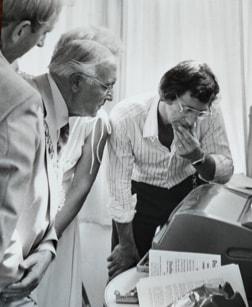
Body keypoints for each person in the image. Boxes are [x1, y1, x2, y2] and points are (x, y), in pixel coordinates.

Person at [106, 60, 234, 280]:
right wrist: (126, 245)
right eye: (187, 110)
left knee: (184, 274)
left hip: (187, 191)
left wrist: (198, 158)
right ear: (166, 95)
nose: (193, 120)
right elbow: (119, 187)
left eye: (200, 113)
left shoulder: (209, 112)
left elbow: (226, 170)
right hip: (139, 196)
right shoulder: (126, 117)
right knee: (124, 275)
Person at [26, 27, 120, 307]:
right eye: (106, 85)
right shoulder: (26, 103)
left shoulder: (98, 121)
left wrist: (48, 242)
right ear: (76, 81)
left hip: (58, 229)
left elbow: (80, 186)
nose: (111, 96)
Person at [0, 0, 62, 305]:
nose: (40, 45)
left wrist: (47, 244)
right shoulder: (18, 97)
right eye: (41, 34)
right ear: (20, 30)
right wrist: (11, 280)